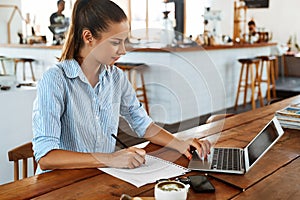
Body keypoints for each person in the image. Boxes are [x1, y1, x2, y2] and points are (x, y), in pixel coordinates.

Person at [32, 0, 211, 174]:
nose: (123, 50)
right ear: (88, 37)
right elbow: (46, 157)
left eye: (125, 42)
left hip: (99, 177)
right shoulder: (55, 79)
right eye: (116, 42)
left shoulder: (116, 77)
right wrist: (109, 159)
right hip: (60, 184)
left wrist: (179, 143)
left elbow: (142, 123)